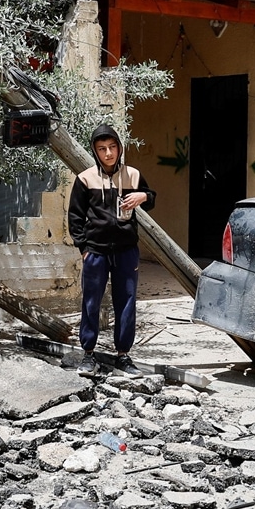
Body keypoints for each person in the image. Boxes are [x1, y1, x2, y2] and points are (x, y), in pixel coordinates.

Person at [68, 123, 155, 375]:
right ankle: (88, 354)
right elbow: (75, 217)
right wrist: (84, 248)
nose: (108, 153)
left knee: (126, 301)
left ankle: (123, 356)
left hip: (126, 251)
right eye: (102, 148)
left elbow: (151, 198)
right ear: (95, 151)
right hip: (95, 252)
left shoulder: (133, 175)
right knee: (91, 302)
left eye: (112, 147)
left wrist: (143, 196)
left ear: (119, 148)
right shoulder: (85, 179)